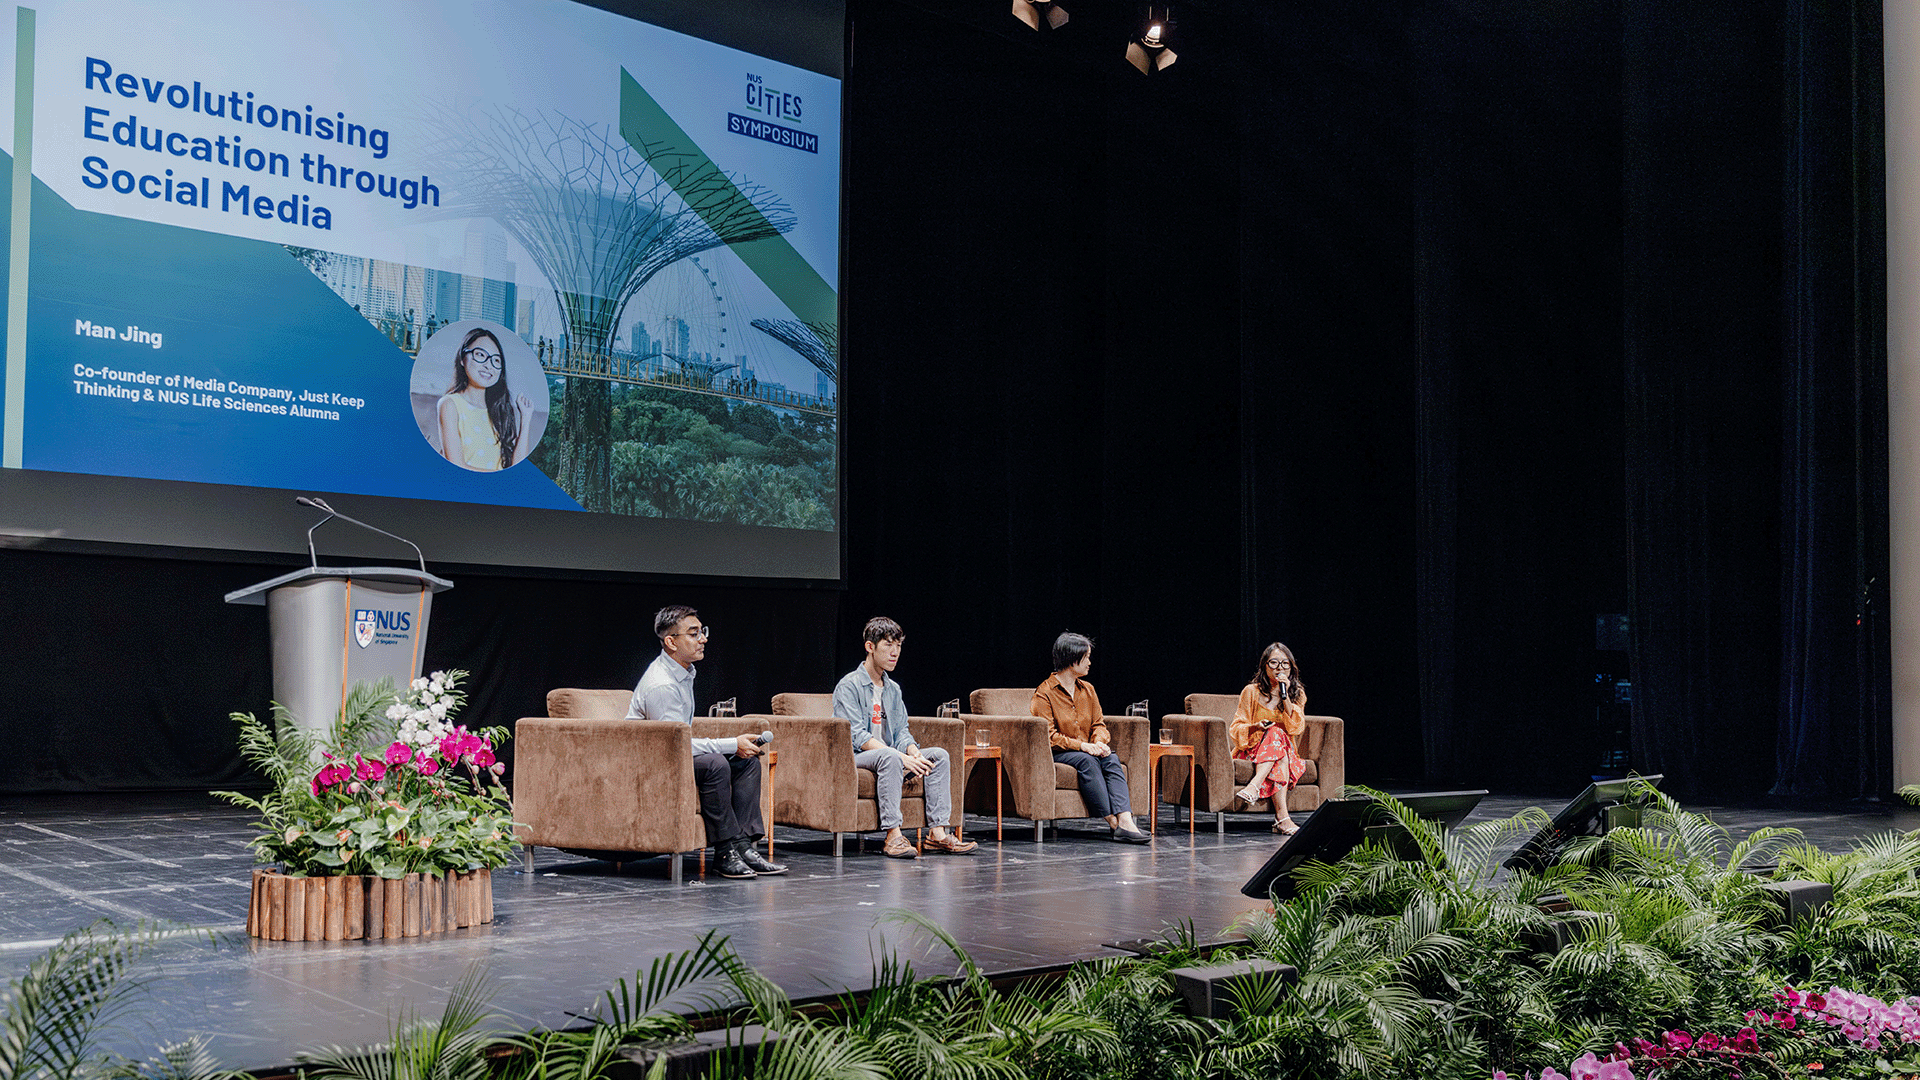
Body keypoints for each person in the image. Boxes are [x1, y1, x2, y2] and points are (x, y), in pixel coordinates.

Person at [627, 605, 788, 880]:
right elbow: (674, 746)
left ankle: (743, 846)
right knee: (715, 764)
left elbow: (682, 739)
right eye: (694, 633)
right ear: (671, 641)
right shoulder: (662, 684)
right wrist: (728, 744)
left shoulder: (683, 673)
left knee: (746, 763)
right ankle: (724, 852)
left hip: (673, 756)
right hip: (652, 765)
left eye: (703, 632)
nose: (703, 639)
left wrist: (733, 747)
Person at [831, 617, 978, 858]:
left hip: (889, 755)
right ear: (870, 647)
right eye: (888, 645)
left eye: (898, 646)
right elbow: (856, 735)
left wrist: (913, 753)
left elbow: (901, 732)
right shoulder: (849, 686)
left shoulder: (893, 689)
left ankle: (937, 834)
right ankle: (893, 836)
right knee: (889, 756)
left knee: (938, 756)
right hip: (855, 757)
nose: (895, 652)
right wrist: (899, 756)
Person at [1031, 632, 1150, 843]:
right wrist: (1084, 746)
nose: (1089, 662)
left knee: (1111, 758)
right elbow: (1049, 737)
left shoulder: (1088, 690)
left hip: (1088, 750)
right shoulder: (1044, 693)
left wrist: (1098, 742)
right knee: (1087, 760)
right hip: (1058, 753)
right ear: (1071, 659)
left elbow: (1099, 724)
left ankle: (1126, 820)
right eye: (1086, 657)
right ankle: (1113, 823)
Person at [1231, 642, 1310, 835]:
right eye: (1274, 663)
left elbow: (1295, 727)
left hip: (1285, 751)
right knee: (1276, 740)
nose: (1279, 668)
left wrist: (1285, 697)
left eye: (1285, 664)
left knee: (1278, 734)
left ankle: (1254, 786)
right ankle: (1282, 820)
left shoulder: (1296, 694)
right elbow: (1236, 727)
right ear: (1264, 666)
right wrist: (1255, 727)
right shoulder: (1251, 692)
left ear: (1291, 668)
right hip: (1253, 752)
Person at [437, 327, 533, 471]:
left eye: (496, 360)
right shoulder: (450, 404)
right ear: (463, 358)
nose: (489, 365)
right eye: (481, 355)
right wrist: (503, 478)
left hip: (497, 492)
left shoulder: (499, 410)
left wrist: (526, 417)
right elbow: (456, 466)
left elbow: (517, 468)